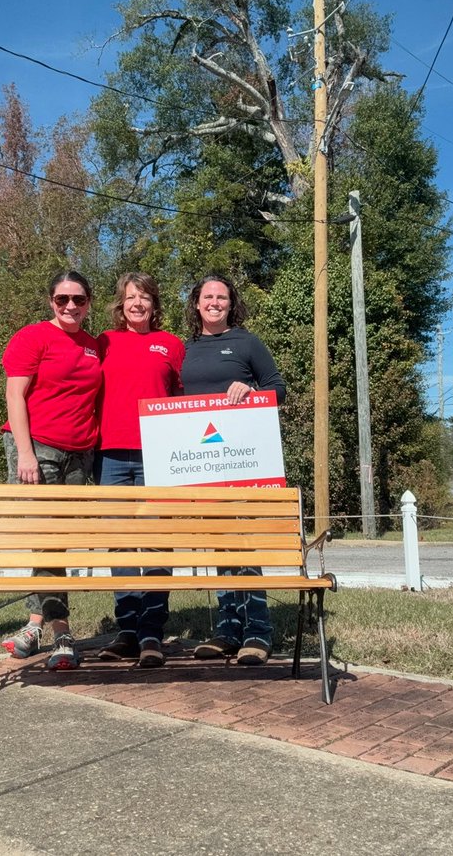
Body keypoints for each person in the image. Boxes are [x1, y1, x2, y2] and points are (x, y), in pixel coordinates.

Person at [180, 273, 286, 666]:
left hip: (241, 459)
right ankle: (226, 630)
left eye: (221, 297)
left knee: (245, 544)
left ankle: (258, 631)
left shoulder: (246, 342)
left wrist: (254, 393)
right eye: (207, 296)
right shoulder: (185, 348)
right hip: (199, 461)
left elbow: (279, 387)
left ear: (230, 303)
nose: (214, 302)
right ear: (196, 303)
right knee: (219, 545)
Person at [0, 270, 101, 670]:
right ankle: (58, 632)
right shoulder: (32, 337)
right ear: (51, 302)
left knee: (61, 541)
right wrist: (25, 454)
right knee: (44, 539)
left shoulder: (95, 346)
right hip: (36, 446)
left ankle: (34, 625)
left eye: (78, 299)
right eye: (62, 299)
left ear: (89, 303)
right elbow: (14, 394)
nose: (70, 306)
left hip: (80, 452)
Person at [93, 272, 185, 668]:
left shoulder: (172, 345)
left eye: (145, 297)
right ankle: (128, 627)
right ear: (121, 303)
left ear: (154, 304)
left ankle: (152, 630)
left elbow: (188, 398)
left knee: (157, 542)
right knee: (120, 543)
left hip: (158, 456)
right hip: (110, 454)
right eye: (131, 297)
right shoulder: (104, 342)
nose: (137, 303)